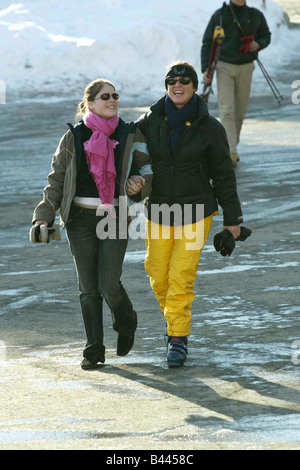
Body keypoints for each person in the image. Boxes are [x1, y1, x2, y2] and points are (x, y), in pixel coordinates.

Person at [127, 61, 243, 367]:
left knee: (181, 276)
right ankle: (174, 322)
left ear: (194, 87)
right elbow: (128, 154)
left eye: (185, 81)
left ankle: (177, 337)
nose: (178, 86)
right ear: (166, 86)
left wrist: (233, 221)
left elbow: (223, 175)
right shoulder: (148, 122)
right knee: (156, 273)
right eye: (172, 81)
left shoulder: (210, 127)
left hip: (197, 211)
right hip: (160, 209)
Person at [31, 78, 151, 370]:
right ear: (90, 104)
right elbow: (56, 179)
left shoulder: (130, 134)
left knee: (108, 284)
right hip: (80, 221)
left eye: (115, 95)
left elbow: (148, 171)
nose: (112, 100)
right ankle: (94, 348)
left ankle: (126, 320)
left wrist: (141, 185)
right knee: (88, 288)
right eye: (105, 96)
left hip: (115, 217)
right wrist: (43, 215)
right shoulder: (74, 136)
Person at [201, 0, 271, 167]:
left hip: (246, 67)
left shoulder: (255, 15)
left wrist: (258, 44)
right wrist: (206, 69)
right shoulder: (219, 15)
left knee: (240, 111)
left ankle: (232, 146)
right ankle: (229, 151)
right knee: (227, 110)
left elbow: (266, 35)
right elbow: (207, 43)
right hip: (224, 66)